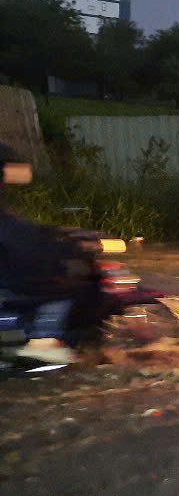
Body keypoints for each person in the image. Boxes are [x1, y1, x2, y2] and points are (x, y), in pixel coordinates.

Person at [0, 144, 101, 364]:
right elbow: (22, 240)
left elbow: (22, 232)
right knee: (67, 285)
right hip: (12, 283)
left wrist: (55, 234)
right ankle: (43, 338)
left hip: (12, 274)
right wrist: (70, 248)